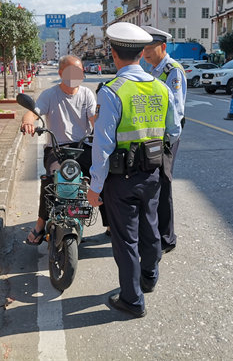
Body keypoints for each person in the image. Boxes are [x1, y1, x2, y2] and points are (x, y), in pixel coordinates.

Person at [87, 22, 181, 318]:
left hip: (120, 179)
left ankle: (132, 299)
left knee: (126, 239)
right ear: (141, 53)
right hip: (152, 172)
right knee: (150, 226)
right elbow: (174, 130)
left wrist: (94, 187)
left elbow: (101, 146)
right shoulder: (162, 88)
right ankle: (149, 277)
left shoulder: (112, 91)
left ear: (113, 54)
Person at [20, 55, 96, 245]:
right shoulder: (50, 94)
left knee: (102, 175)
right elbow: (34, 112)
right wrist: (28, 122)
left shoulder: (87, 94)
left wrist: (103, 129)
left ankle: (111, 223)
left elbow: (94, 119)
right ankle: (40, 225)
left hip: (83, 147)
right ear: (61, 72)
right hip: (57, 148)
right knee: (51, 181)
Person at [141, 25, 186, 254]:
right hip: (154, 136)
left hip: (167, 137)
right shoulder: (151, 70)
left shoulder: (171, 70)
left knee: (164, 184)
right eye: (144, 48)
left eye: (151, 47)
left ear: (163, 47)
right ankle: (154, 231)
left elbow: (176, 110)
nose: (146, 52)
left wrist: (167, 141)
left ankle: (167, 238)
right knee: (155, 183)